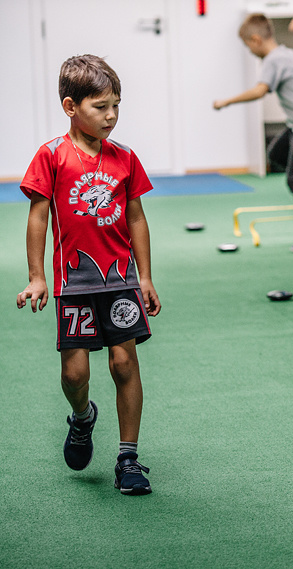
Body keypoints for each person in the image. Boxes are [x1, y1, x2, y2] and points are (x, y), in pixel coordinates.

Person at [17, 54, 161, 494]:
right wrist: (37, 276)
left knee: (124, 362)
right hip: (74, 282)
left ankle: (128, 457)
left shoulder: (125, 158)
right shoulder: (52, 156)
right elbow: (38, 218)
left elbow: (136, 218)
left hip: (119, 279)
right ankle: (82, 417)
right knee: (75, 375)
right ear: (70, 106)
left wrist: (145, 276)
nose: (111, 115)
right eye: (101, 106)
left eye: (116, 105)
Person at [214, 14, 293, 253]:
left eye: (248, 46)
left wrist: (227, 101)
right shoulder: (287, 54)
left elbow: (261, 91)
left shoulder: (273, 60)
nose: (250, 51)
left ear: (255, 39)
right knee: (277, 154)